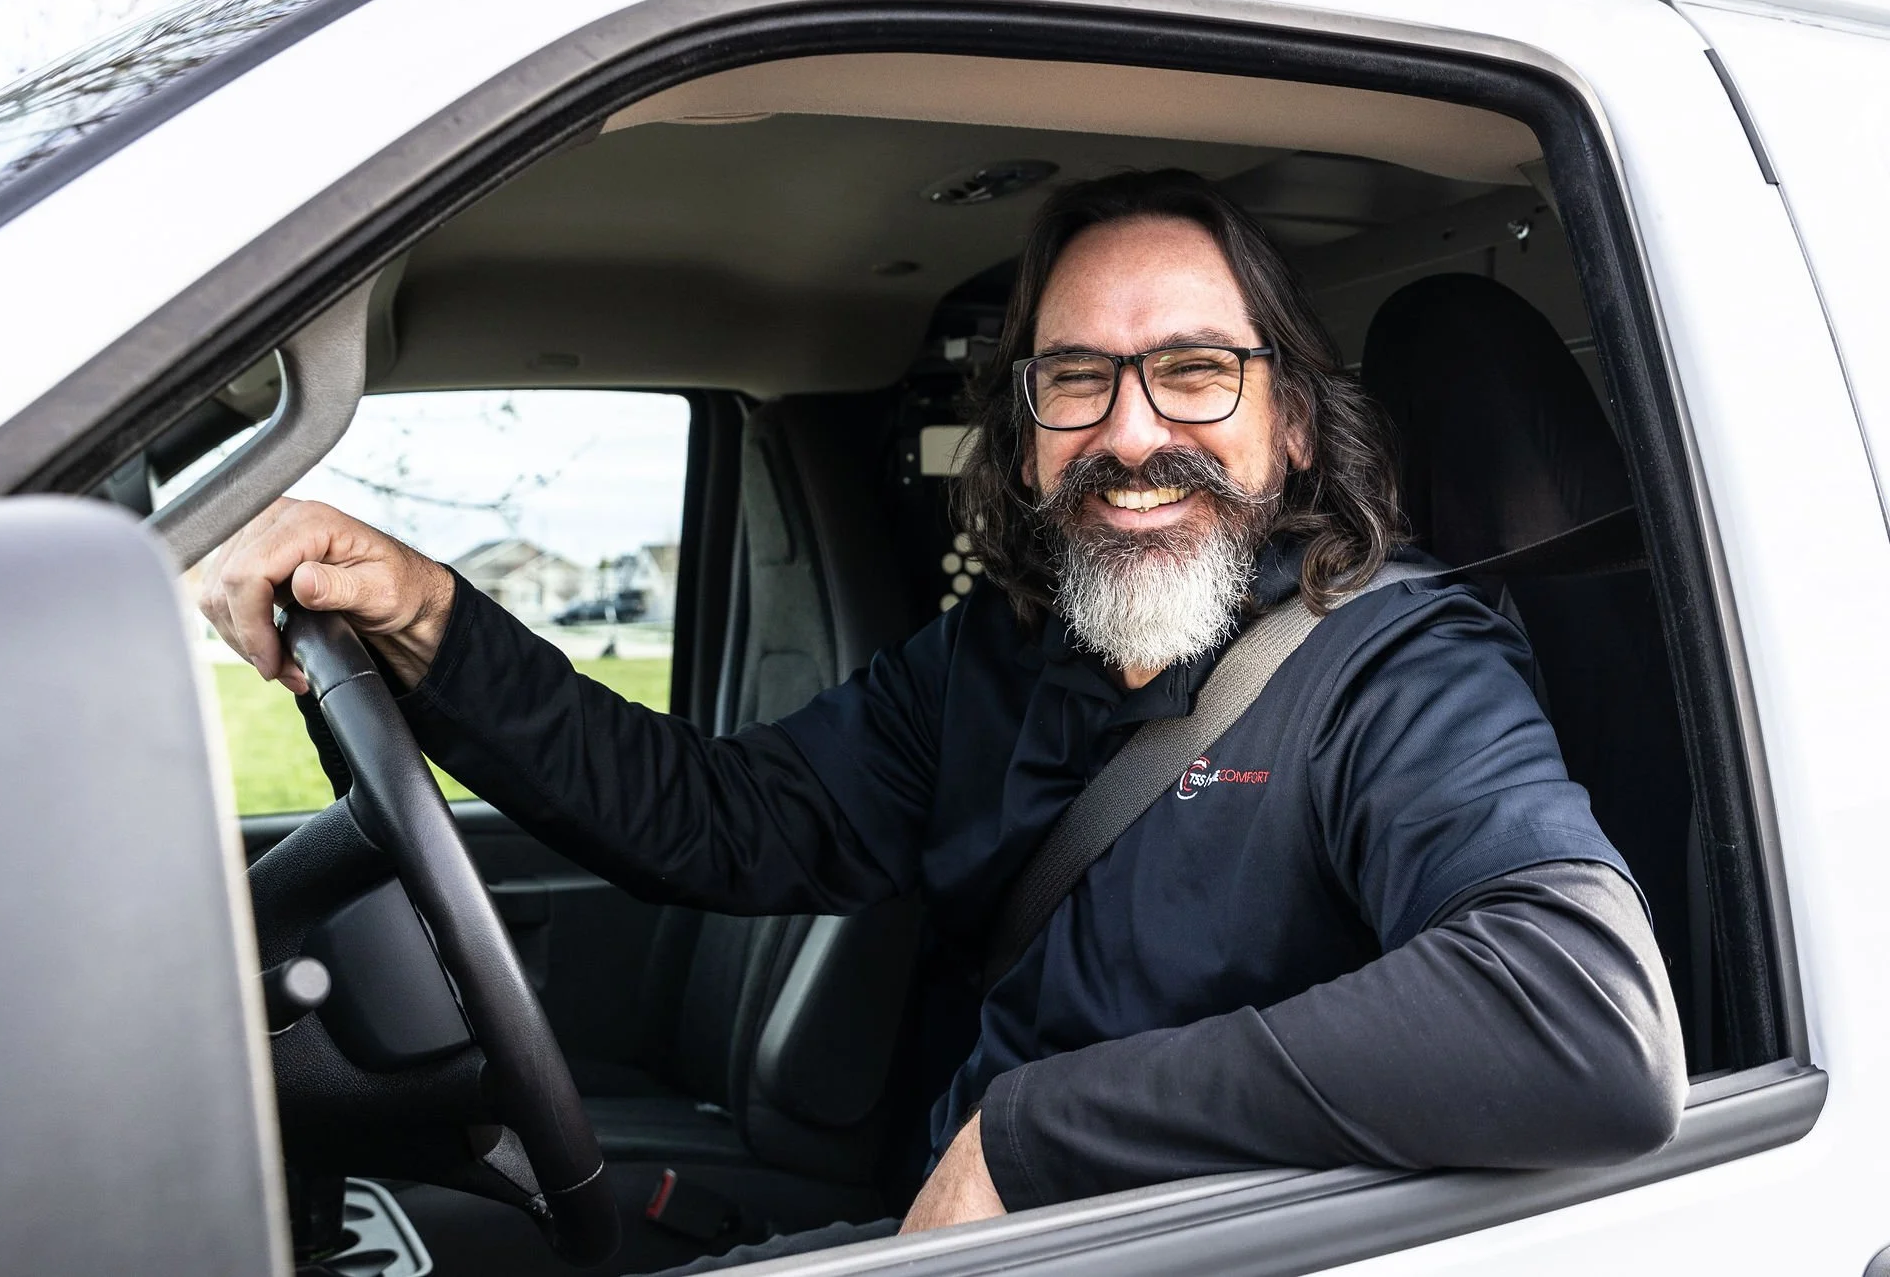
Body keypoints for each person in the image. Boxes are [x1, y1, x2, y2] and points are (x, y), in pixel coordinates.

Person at [202, 169, 1685, 1259]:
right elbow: (720, 823)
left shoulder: (1397, 666)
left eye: (1194, 372)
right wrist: (432, 621)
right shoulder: (999, 657)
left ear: (1292, 422)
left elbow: (1577, 1012)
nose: (1132, 433)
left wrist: (1034, 1138)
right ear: (1026, 431)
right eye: (1077, 380)